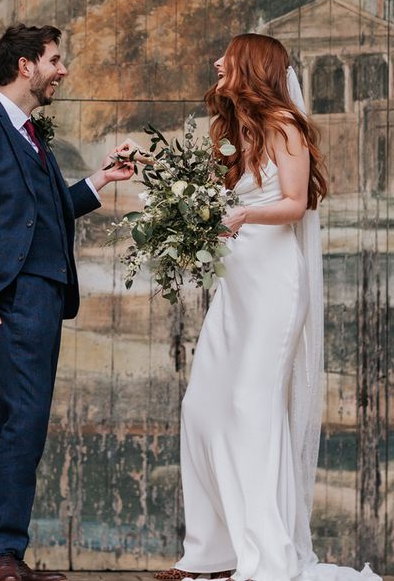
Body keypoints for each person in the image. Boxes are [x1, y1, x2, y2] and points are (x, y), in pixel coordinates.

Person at [0, 24, 134, 581]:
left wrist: (101, 180)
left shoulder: (31, 132)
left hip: (42, 296)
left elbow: (43, 212)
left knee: (23, 423)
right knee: (23, 423)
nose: (63, 70)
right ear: (25, 66)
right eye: (55, 60)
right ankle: (1, 555)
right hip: (13, 296)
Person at [154, 33, 380, 581]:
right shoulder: (237, 131)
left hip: (274, 285)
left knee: (252, 410)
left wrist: (240, 216)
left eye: (226, 56)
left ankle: (266, 554)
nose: (216, 62)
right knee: (202, 407)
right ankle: (210, 553)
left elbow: (295, 203)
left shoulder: (284, 126)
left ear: (250, 65)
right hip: (236, 285)